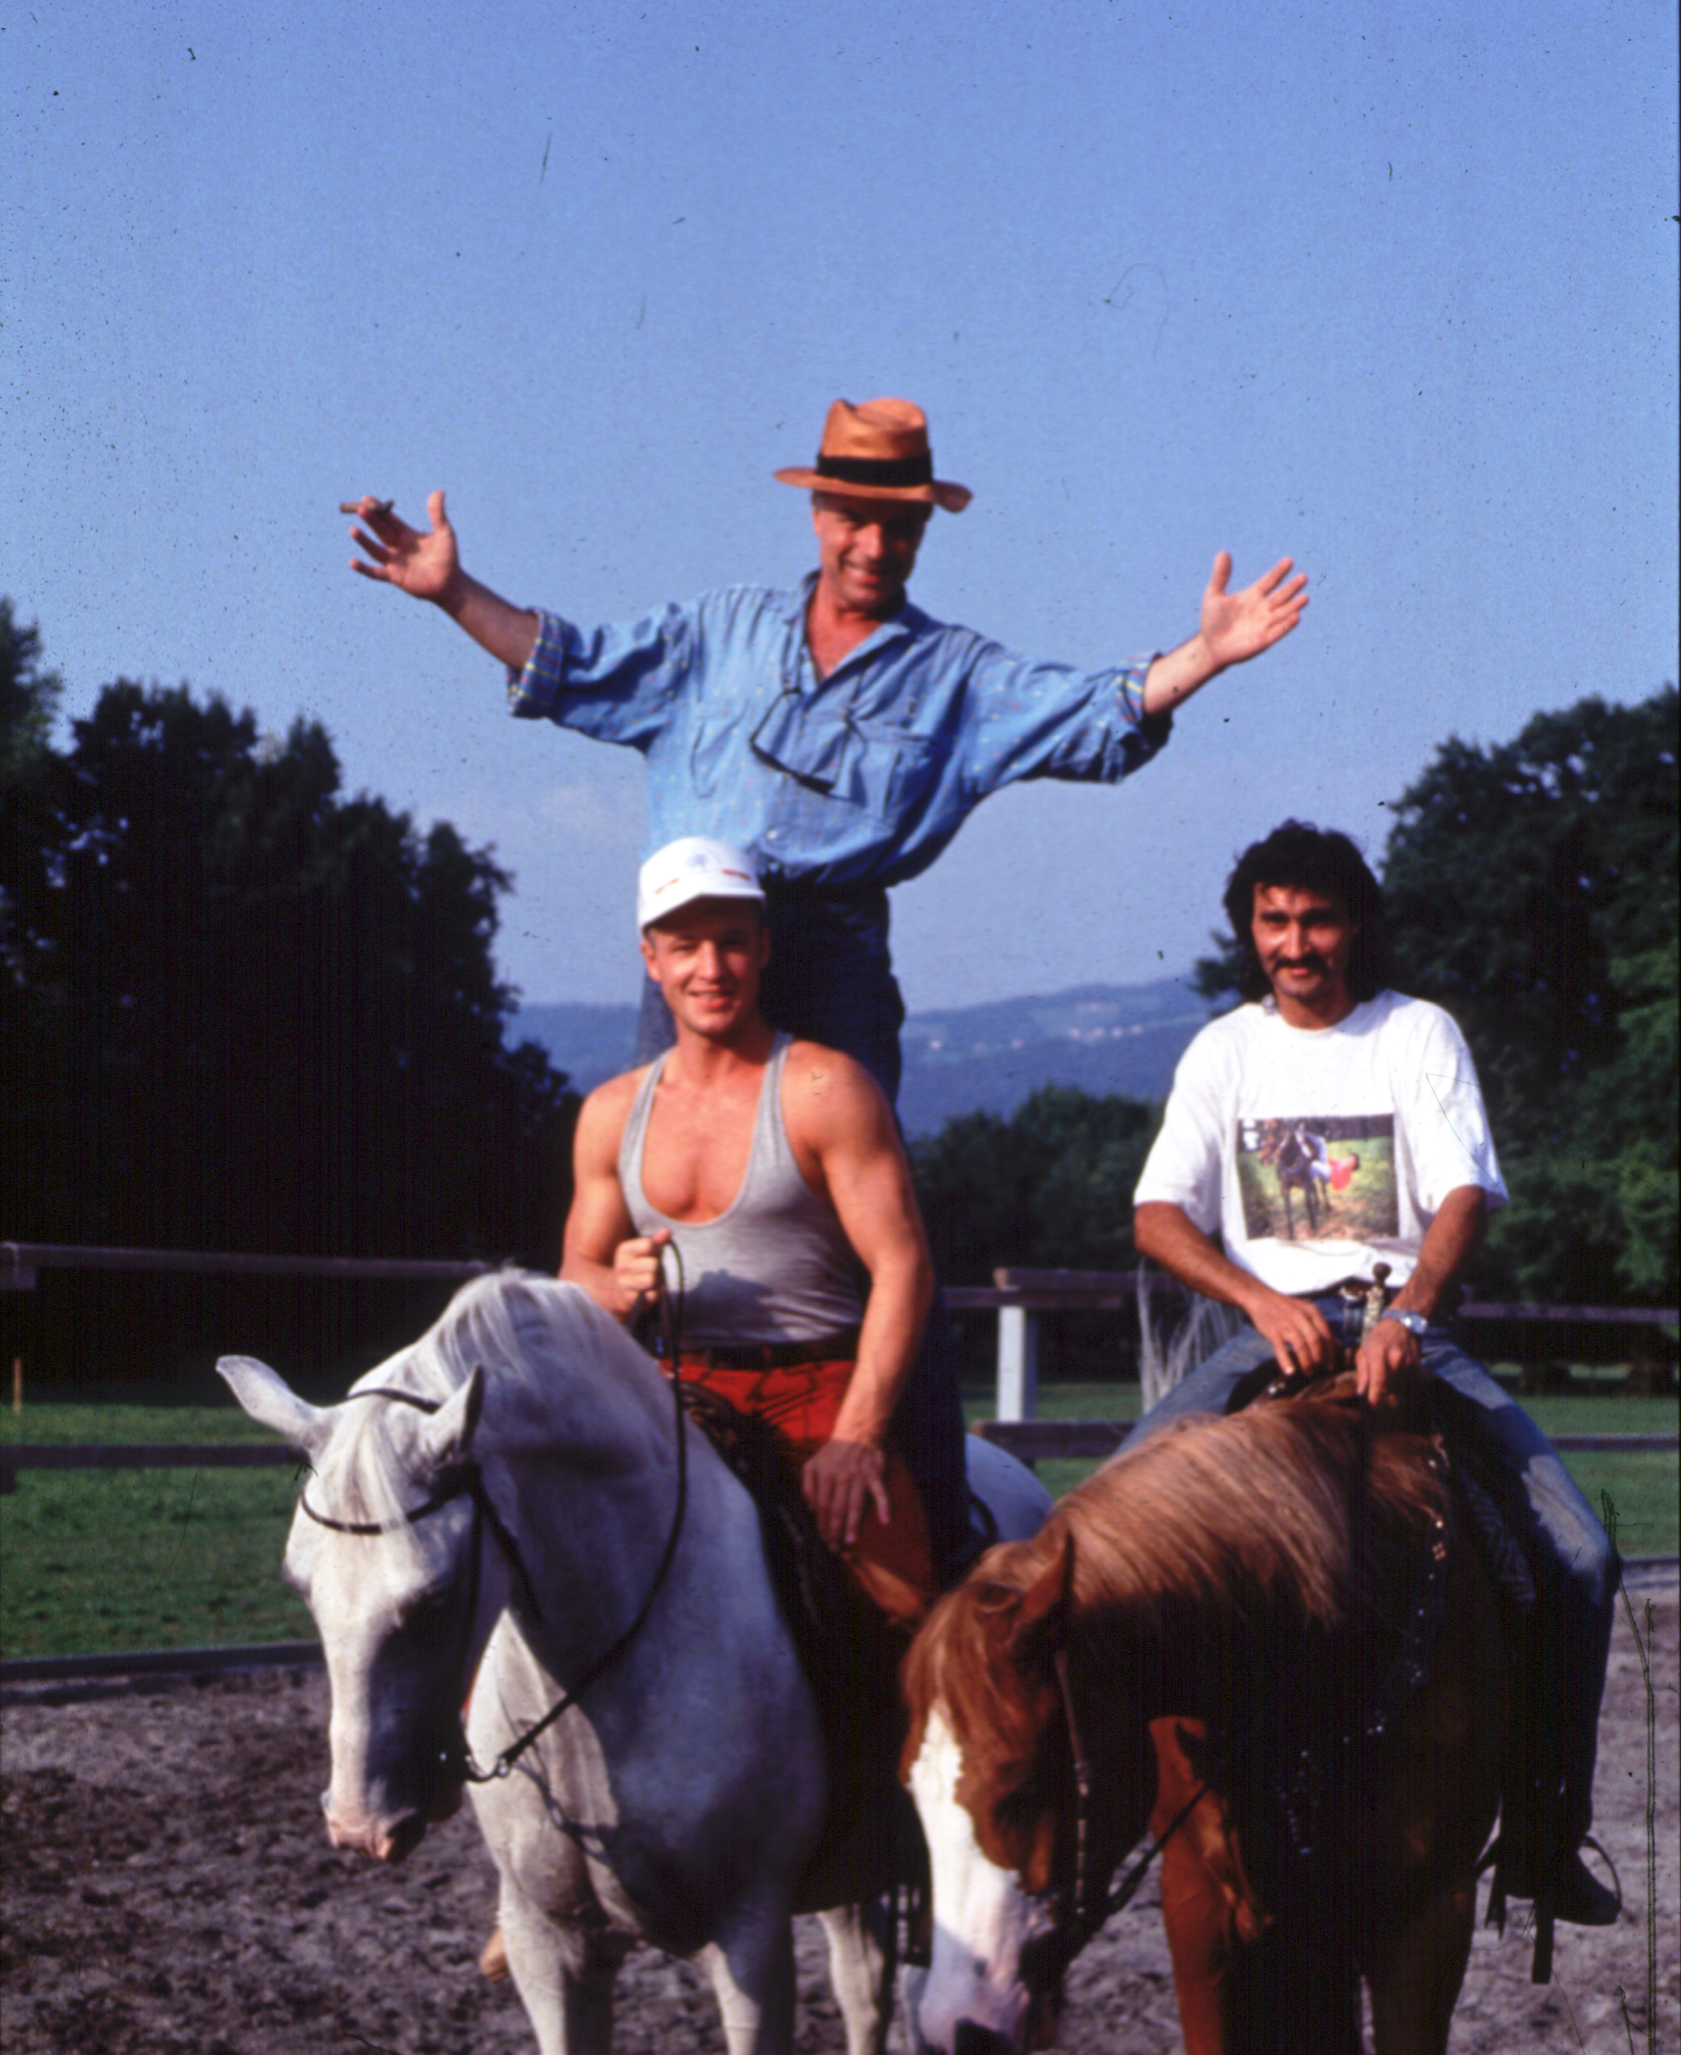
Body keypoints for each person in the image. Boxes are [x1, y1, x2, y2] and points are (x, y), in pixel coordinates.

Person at [341, 394, 1308, 1569]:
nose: (870, 543)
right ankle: (614, 1531)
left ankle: (941, 1533)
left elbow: (1085, 716)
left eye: (897, 526)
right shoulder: (718, 634)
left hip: (833, 954)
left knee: (871, 1247)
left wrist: (1203, 654)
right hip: (697, 930)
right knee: (657, 1226)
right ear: (819, 512)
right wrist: (452, 591)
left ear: (921, 533)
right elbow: (573, 666)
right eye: (852, 516)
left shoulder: (952, 674)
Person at [1129, 820, 1618, 1926]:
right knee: (1110, 1521)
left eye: (1315, 918)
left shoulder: (1414, 1035)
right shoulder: (1224, 1052)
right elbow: (1157, 1213)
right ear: (1250, 929)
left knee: (1580, 1554)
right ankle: (1111, 1802)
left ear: (1355, 924)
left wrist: (1407, 1309)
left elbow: (1460, 1195)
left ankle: (1546, 1828)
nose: (1294, 943)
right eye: (1273, 920)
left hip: (1408, 1326)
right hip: (1269, 1335)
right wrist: (1256, 1300)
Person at [562, 833, 938, 1632]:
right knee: (546, 1578)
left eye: (732, 943)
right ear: (650, 958)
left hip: (819, 1391)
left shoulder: (822, 1086)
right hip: (673, 1398)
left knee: (900, 1614)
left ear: (763, 948)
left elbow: (903, 1265)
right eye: (685, 946)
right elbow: (575, 1275)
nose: (711, 967)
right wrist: (613, 1282)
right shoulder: (610, 1113)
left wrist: (859, 1436)